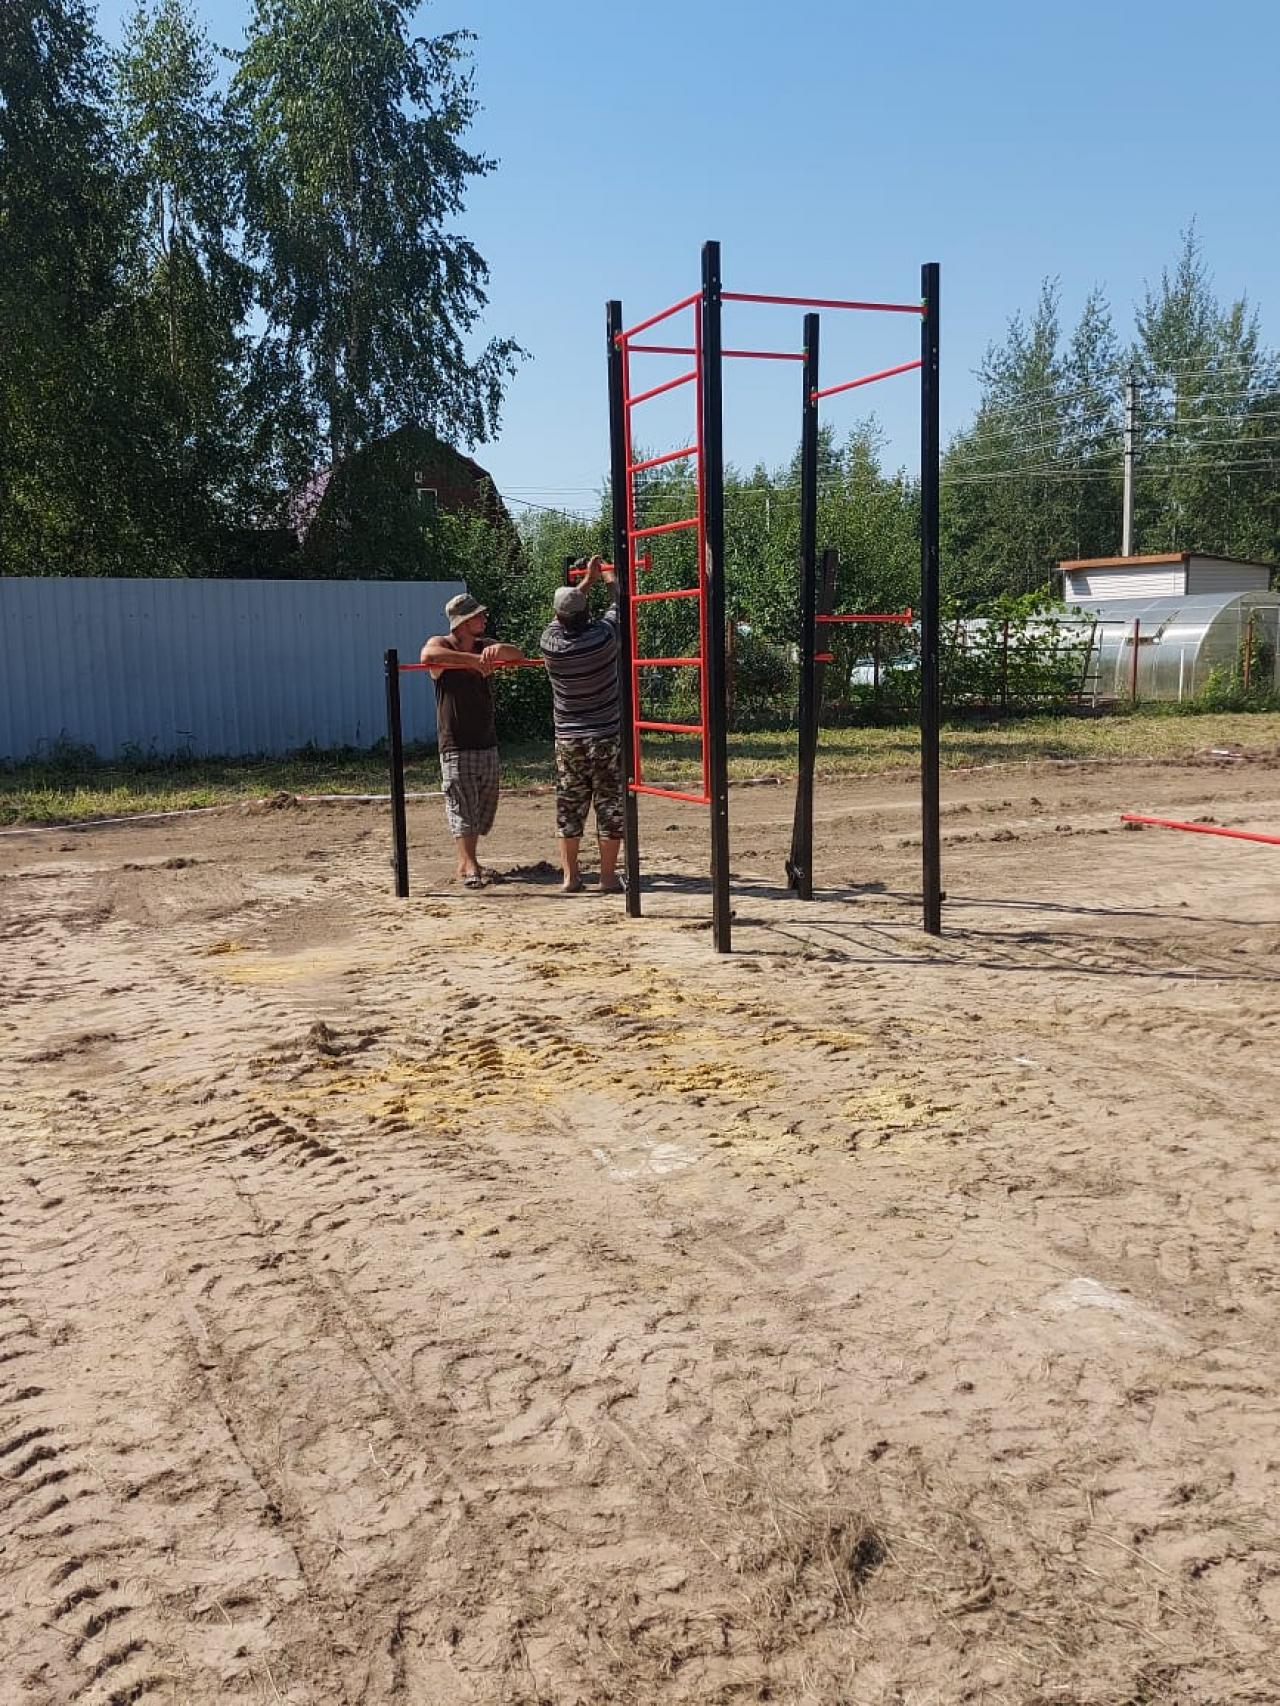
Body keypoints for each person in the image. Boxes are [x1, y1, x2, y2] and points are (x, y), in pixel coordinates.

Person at [421, 593, 523, 889]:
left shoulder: (484, 645)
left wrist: (496, 651)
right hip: (456, 742)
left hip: (486, 739)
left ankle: (468, 860)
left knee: (482, 806)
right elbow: (428, 656)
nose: (484, 619)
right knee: (462, 805)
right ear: (464, 621)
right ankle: (468, 864)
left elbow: (516, 654)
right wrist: (475, 662)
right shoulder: (442, 644)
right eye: (478, 616)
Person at [539, 554, 625, 894]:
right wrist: (608, 578)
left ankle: (571, 877)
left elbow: (562, 616)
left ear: (559, 617)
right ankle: (606, 878)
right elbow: (619, 608)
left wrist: (584, 583)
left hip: (568, 739)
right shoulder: (602, 638)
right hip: (605, 734)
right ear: (586, 613)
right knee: (609, 804)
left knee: (569, 805)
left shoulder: (550, 643)